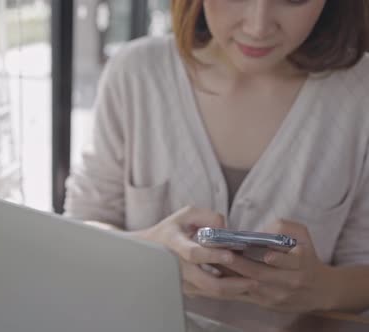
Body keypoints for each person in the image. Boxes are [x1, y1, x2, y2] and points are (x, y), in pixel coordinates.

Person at [64, 0, 369, 314]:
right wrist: (148, 248)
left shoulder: (360, 95)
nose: (257, 27)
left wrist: (326, 290)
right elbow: (80, 229)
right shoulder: (135, 75)